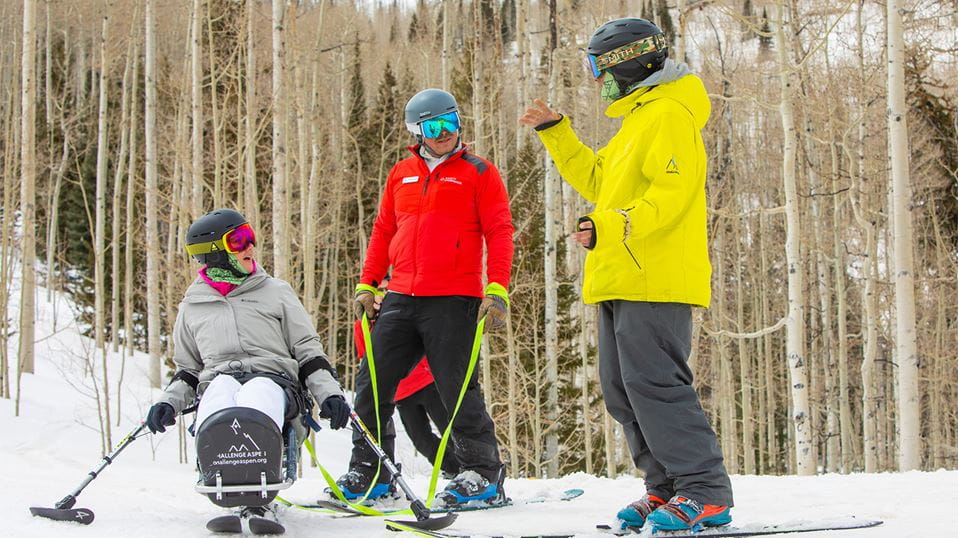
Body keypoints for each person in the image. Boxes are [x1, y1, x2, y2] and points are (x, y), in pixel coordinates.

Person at [519, 17, 733, 533]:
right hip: (620, 274)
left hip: (656, 276)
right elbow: (599, 178)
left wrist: (611, 225)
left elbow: (670, 195)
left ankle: (704, 490)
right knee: (621, 389)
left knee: (655, 384)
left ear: (627, 63)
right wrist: (557, 133)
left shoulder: (669, 116)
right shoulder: (637, 119)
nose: (594, 79)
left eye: (597, 67)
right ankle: (665, 487)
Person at [335, 88, 514, 509]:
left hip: (453, 298)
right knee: (371, 385)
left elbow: (499, 231)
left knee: (457, 390)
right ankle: (372, 472)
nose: (445, 133)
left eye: (451, 122)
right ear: (416, 131)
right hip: (400, 295)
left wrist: (497, 288)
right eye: (435, 127)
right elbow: (383, 230)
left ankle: (482, 475)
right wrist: (367, 282)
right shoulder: (401, 173)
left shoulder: (478, 172)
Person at [145, 208, 351, 529]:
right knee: (219, 394)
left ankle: (259, 500)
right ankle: (229, 492)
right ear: (214, 253)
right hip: (219, 381)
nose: (250, 246)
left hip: (275, 383)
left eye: (250, 237)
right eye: (239, 240)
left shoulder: (275, 292)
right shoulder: (193, 306)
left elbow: (309, 353)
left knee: (256, 391)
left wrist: (330, 395)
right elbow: (187, 370)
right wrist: (168, 403)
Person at [351, 289, 461, 480]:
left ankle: (468, 467)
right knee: (421, 439)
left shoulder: (404, 310)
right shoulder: (361, 325)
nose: (380, 295)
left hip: (427, 381)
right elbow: (366, 357)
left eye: (384, 288)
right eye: (376, 290)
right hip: (401, 393)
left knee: (450, 429)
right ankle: (452, 467)